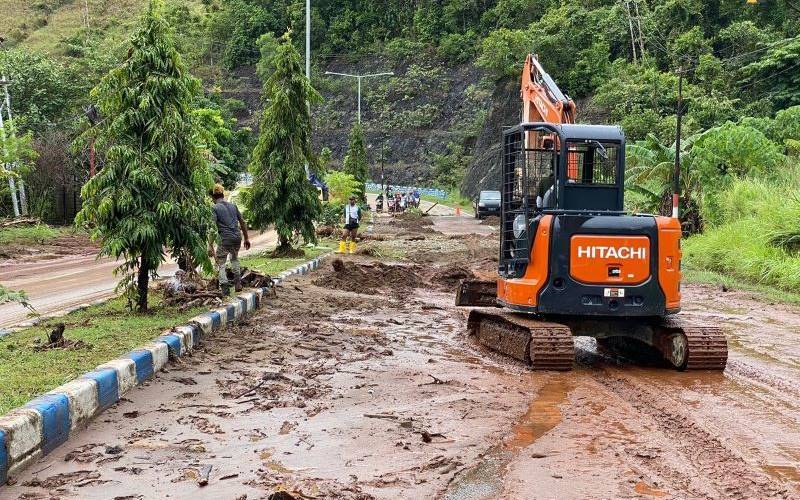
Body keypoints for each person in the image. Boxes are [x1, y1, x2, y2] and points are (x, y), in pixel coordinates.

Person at [209, 184, 250, 295]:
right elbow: (242, 222)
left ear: (213, 197)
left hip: (225, 239)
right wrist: (246, 238)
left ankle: (225, 288)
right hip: (237, 237)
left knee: (221, 263)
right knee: (234, 259)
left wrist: (210, 244)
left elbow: (212, 227)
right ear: (223, 195)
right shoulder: (233, 206)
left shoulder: (214, 208)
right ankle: (238, 283)